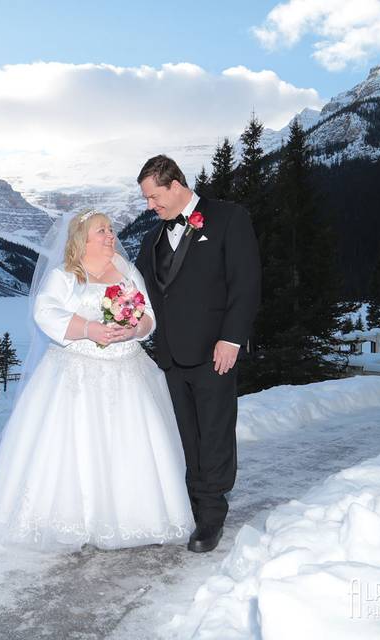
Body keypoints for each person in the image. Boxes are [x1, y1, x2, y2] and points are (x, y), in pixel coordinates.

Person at [0, 209, 194, 550]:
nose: (111, 236)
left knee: (130, 444)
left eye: (110, 230)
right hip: (76, 373)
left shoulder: (125, 269)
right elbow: (44, 312)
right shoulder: (65, 276)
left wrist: (137, 328)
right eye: (102, 232)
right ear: (83, 240)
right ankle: (75, 522)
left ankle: (137, 516)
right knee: (74, 446)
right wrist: (89, 329)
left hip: (127, 372)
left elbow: (149, 313)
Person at [135, 155, 261, 553]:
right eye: (146, 199)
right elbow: (144, 292)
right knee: (188, 436)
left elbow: (247, 282)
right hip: (171, 356)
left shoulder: (228, 218)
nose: (150, 206)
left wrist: (232, 338)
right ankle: (194, 504)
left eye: (154, 197)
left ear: (175, 185)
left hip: (214, 351)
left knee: (215, 434)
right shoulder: (151, 239)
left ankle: (211, 517)